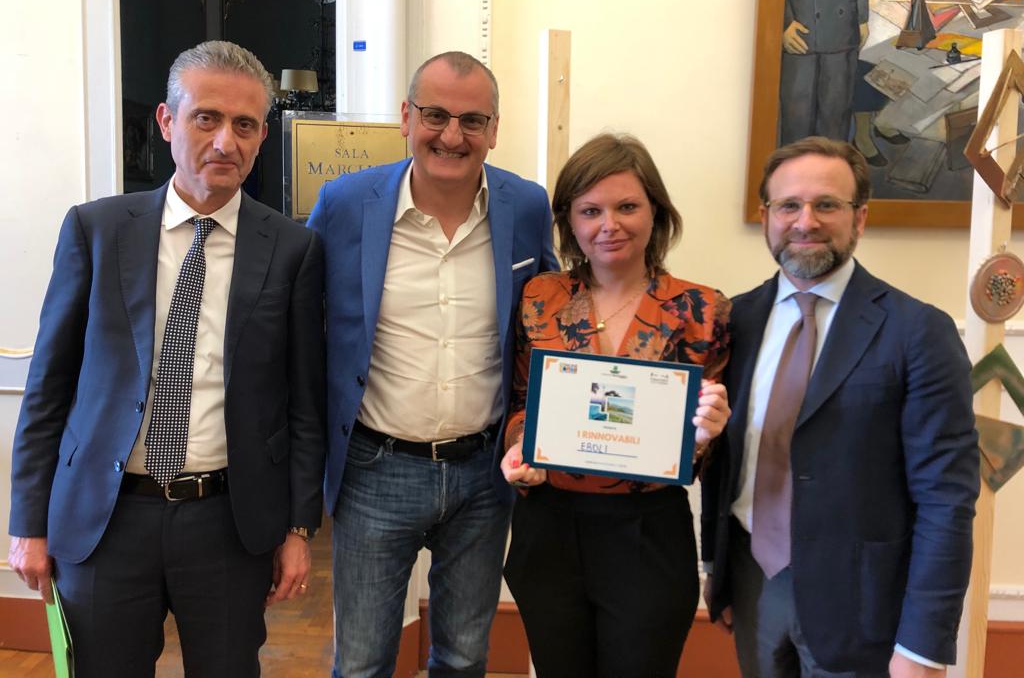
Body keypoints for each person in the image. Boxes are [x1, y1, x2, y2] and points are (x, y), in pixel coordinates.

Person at [8, 40, 326, 677]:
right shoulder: (97, 231)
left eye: (245, 125)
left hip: (228, 521)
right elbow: (49, 386)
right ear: (166, 121)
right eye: (206, 118)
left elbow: (303, 405)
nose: (225, 142)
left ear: (263, 136)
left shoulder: (293, 249)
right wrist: (27, 522)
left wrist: (298, 529)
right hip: (106, 516)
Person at [307, 50, 557, 678]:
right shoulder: (344, 204)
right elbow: (302, 327)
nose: (452, 135)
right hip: (374, 469)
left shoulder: (527, 206)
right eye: (435, 115)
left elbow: (549, 326)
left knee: (465, 656)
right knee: (361, 662)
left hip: (482, 474)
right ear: (406, 117)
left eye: (473, 120)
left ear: (494, 130)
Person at [701, 136, 979, 677]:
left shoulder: (918, 331)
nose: (805, 222)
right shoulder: (734, 320)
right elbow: (724, 458)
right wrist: (718, 568)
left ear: (860, 218)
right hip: (754, 585)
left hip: (864, 605)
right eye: (789, 205)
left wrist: (923, 646)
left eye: (827, 204)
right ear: (766, 216)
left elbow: (946, 498)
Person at [500, 133, 731, 678]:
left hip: (648, 534)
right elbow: (520, 404)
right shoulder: (539, 298)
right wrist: (519, 449)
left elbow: (707, 455)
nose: (610, 225)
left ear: (656, 211)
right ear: (569, 221)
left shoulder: (702, 310)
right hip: (549, 530)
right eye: (591, 211)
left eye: (627, 206)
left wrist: (707, 434)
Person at [780, 0, 869, 144]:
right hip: (801, 34)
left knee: (836, 119)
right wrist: (784, 23)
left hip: (843, 33)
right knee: (798, 120)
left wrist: (861, 19)